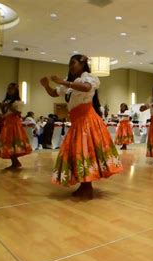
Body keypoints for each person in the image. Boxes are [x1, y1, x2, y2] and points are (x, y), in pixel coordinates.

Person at [40, 54, 122, 199]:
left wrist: (65, 83)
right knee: (80, 152)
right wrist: (47, 85)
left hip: (87, 120)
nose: (71, 66)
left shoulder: (89, 78)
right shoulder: (69, 83)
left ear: (83, 64)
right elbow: (54, 93)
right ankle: (84, 185)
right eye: (70, 64)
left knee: (85, 152)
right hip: (77, 122)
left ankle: (87, 187)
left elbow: (86, 87)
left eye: (74, 63)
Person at [0, 82, 32, 169]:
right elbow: (5, 113)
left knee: (13, 143)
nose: (9, 90)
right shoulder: (7, 101)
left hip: (14, 123)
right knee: (8, 143)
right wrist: (1, 107)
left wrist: (9, 106)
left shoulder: (18, 102)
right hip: (7, 123)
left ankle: (15, 163)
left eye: (11, 89)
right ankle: (15, 163)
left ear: (15, 90)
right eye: (8, 89)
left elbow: (18, 113)